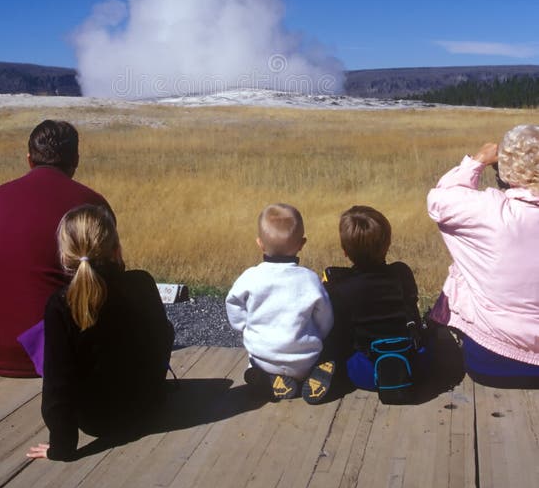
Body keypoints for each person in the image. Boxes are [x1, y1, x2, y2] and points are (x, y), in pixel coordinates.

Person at [0, 120, 109, 377]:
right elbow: (107, 280)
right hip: (53, 351)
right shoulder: (90, 204)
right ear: (76, 159)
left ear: (30, 159)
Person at [27, 204, 174, 461]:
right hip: (149, 405)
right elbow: (164, 337)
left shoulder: (62, 303)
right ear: (116, 249)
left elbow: (58, 384)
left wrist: (60, 447)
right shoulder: (142, 282)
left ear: (65, 256)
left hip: (99, 421)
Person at [427, 125, 539, 386]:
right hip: (495, 359)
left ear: (506, 168)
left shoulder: (489, 211)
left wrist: (476, 161)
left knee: (464, 271)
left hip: (493, 361)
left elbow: (439, 201)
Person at [225, 203, 334, 403]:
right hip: (303, 360)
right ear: (302, 244)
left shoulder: (251, 277)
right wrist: (318, 334)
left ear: (260, 243)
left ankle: (264, 378)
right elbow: (325, 317)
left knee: (252, 363)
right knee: (322, 354)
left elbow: (232, 302)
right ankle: (310, 376)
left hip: (262, 358)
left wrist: (244, 326)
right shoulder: (309, 279)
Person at [322, 205, 424, 400]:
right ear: (388, 243)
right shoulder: (402, 273)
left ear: (344, 251)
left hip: (367, 373)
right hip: (412, 365)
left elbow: (339, 334)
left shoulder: (340, 287)